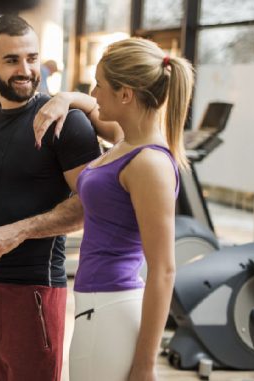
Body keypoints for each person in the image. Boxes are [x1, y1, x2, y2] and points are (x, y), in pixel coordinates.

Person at [0, 15, 101, 381]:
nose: (26, 70)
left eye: (31, 58)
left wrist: (20, 231)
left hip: (34, 292)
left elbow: (90, 205)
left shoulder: (66, 122)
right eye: (12, 60)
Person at [33, 37, 193, 381]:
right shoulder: (127, 141)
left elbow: (164, 270)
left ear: (126, 95)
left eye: (100, 85)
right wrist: (63, 99)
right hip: (98, 306)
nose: (93, 93)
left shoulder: (148, 162)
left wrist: (146, 364)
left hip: (110, 310)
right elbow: (90, 109)